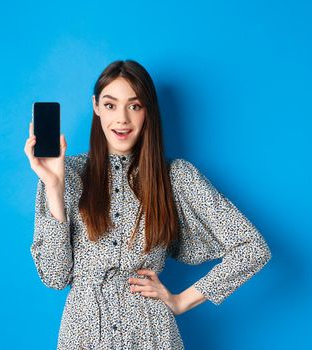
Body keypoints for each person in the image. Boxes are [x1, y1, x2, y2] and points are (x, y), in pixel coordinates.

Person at [23, 59, 272, 350]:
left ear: (147, 111)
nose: (122, 120)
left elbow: (253, 248)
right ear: (96, 106)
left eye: (135, 106)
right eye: (110, 105)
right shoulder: (66, 175)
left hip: (152, 336)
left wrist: (181, 301)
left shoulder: (175, 178)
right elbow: (55, 277)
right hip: (84, 336)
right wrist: (54, 186)